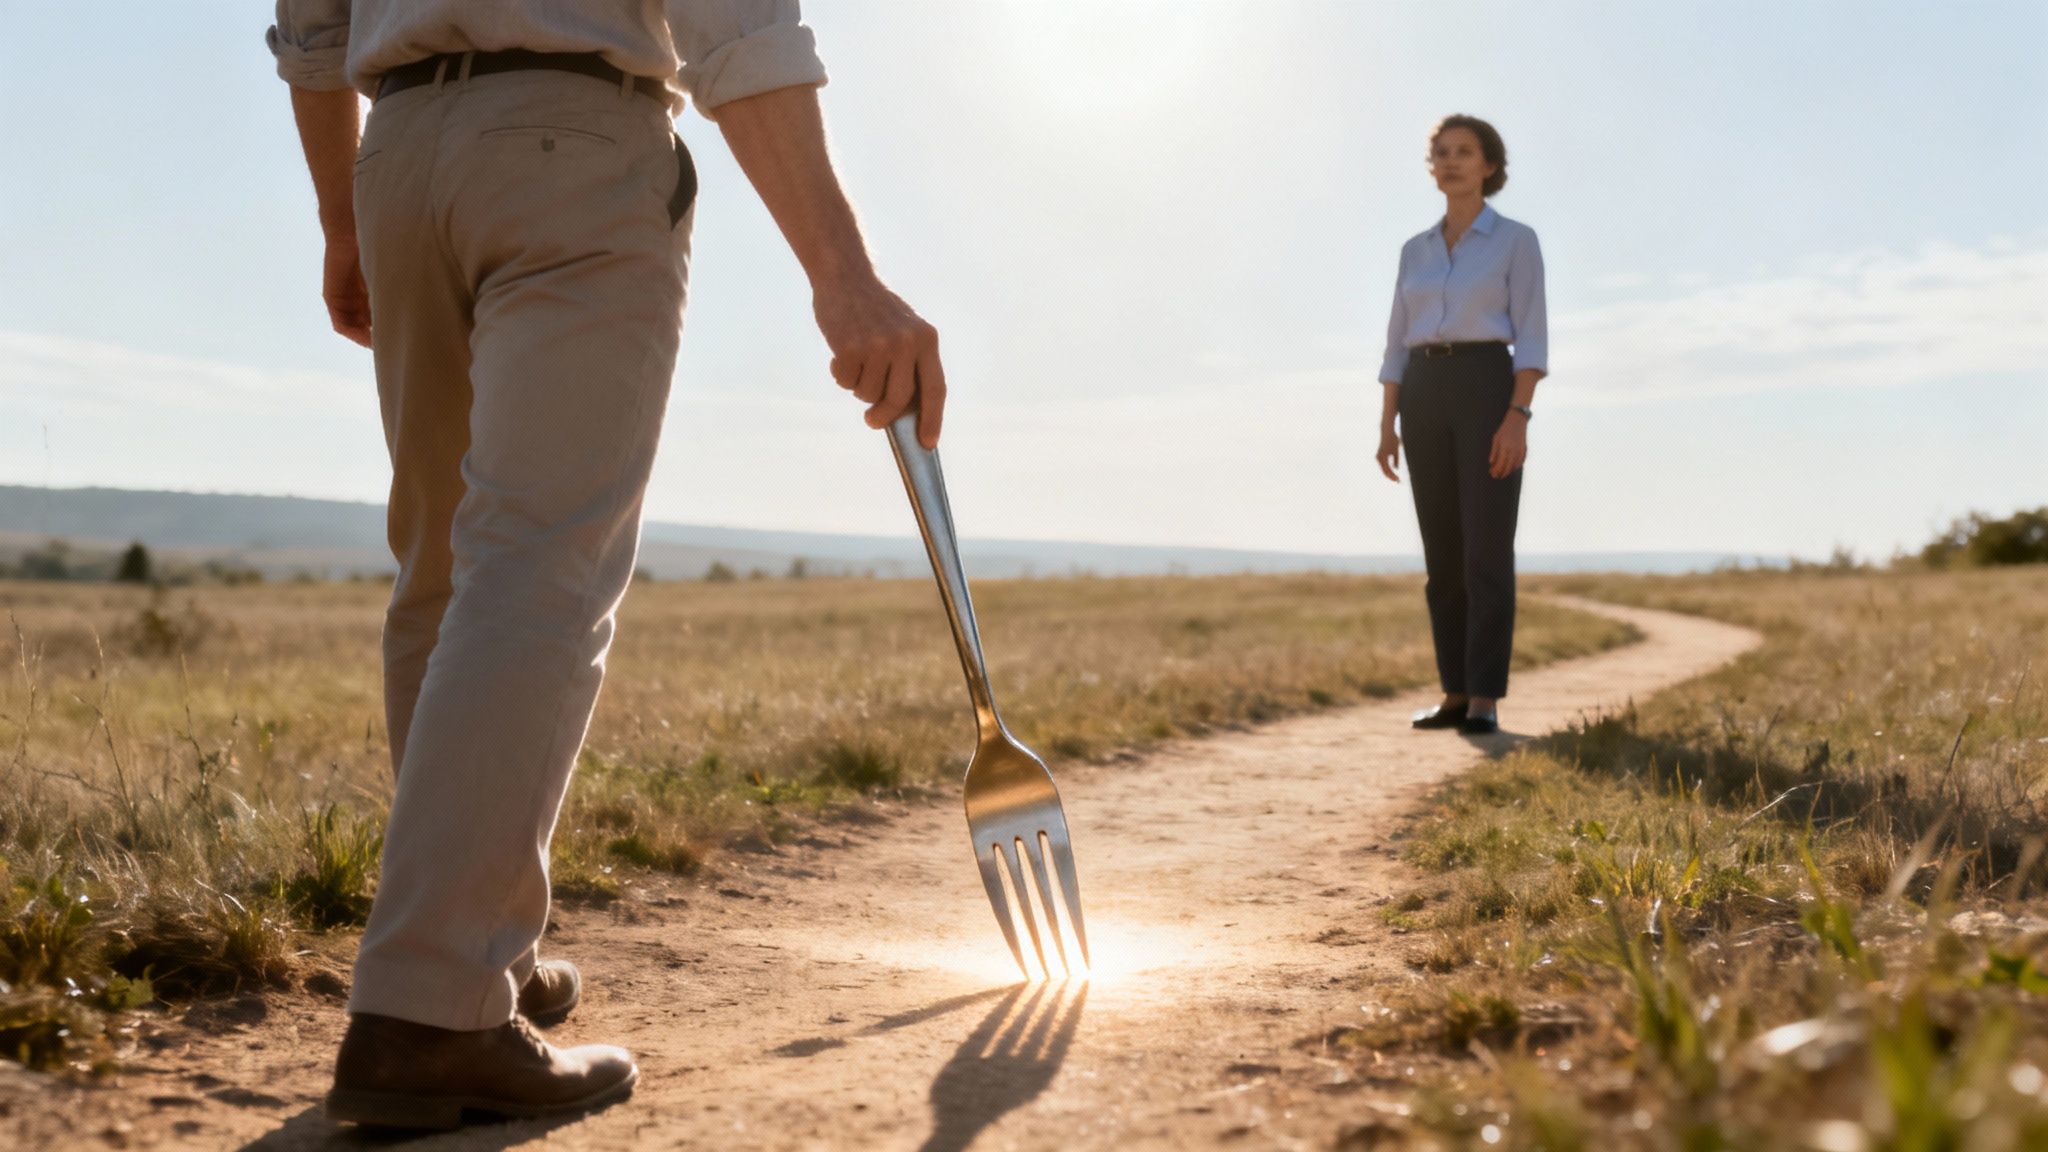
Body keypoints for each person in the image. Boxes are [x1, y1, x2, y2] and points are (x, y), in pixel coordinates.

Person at [267, 0, 946, 1129]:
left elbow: (312, 19)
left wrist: (344, 215)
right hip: (574, 142)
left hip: (399, 150)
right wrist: (845, 277)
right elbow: (737, 21)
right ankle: (433, 1013)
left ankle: (473, 948)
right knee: (534, 567)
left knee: (439, 574)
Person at [1374, 114, 1547, 737]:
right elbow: (1396, 343)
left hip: (1485, 386)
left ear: (1489, 167)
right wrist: (1388, 422)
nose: (1450, 162)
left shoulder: (1515, 241)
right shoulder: (1413, 251)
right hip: (1422, 391)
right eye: (1441, 153)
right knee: (1442, 554)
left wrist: (1517, 416)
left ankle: (1484, 698)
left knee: (1485, 550)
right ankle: (1452, 692)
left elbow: (1531, 338)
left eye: (1464, 152)